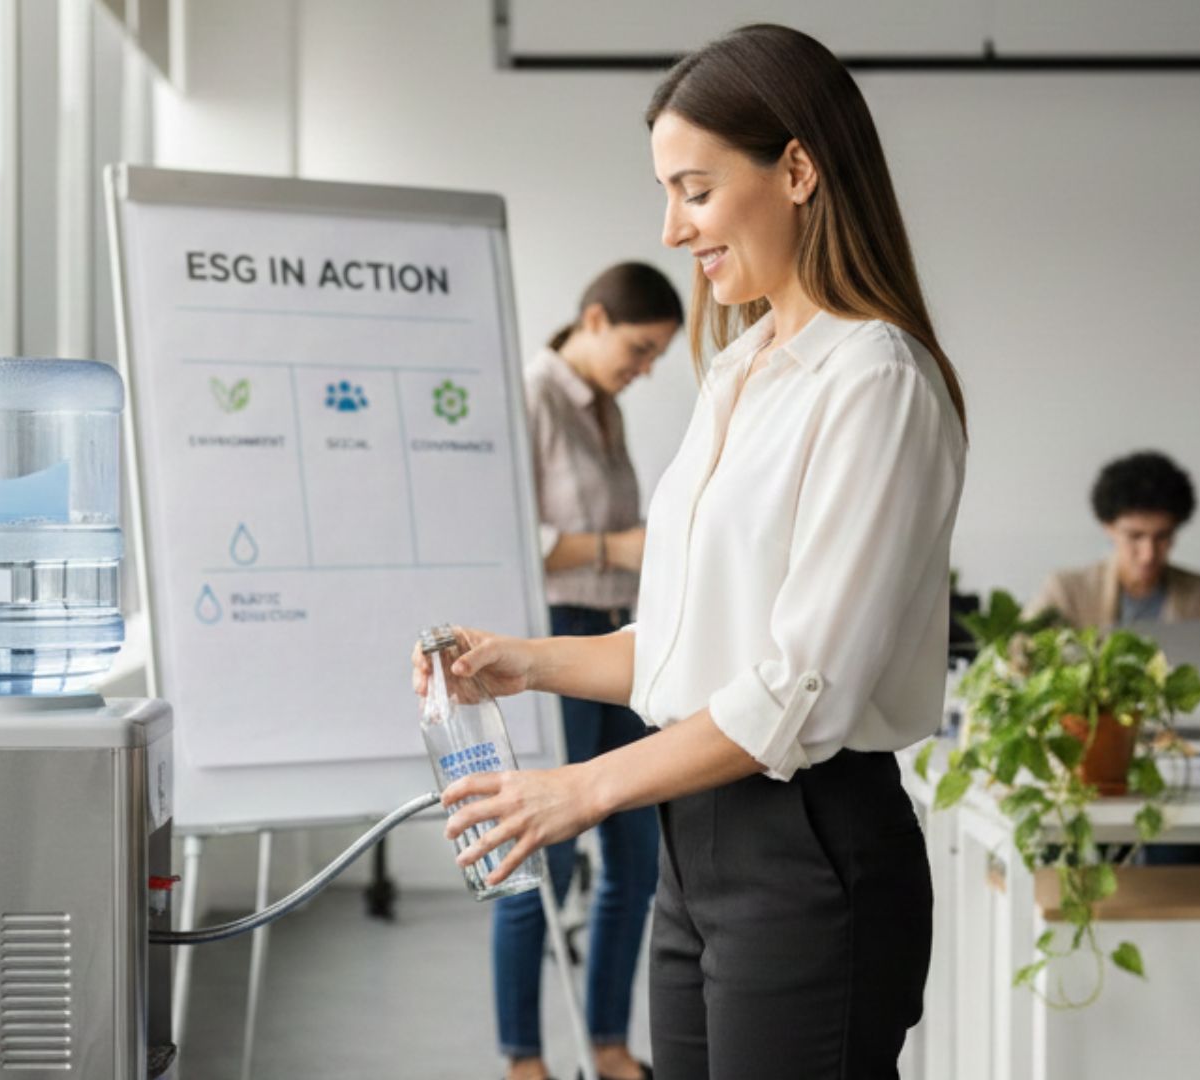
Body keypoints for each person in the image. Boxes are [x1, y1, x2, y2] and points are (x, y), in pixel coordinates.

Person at [413, 24, 968, 1079]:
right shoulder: (741, 370)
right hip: (694, 848)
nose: (672, 230)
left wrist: (579, 789)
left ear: (797, 170)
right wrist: (519, 658)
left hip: (806, 849)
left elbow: (800, 686)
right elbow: (683, 643)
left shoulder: (877, 381)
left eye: (695, 190)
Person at [496, 262, 682, 1080]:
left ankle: (608, 1046)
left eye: (655, 361)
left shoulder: (605, 408)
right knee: (546, 861)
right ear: (596, 319)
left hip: (623, 640)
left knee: (636, 862)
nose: (643, 371)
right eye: (639, 350)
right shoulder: (530, 394)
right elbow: (517, 539)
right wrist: (622, 547)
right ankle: (525, 1060)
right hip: (558, 635)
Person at [1028, 450, 1200, 629]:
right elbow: (1019, 656)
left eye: (1162, 537)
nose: (1148, 554)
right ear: (1108, 527)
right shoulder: (1066, 592)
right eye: (1135, 536)